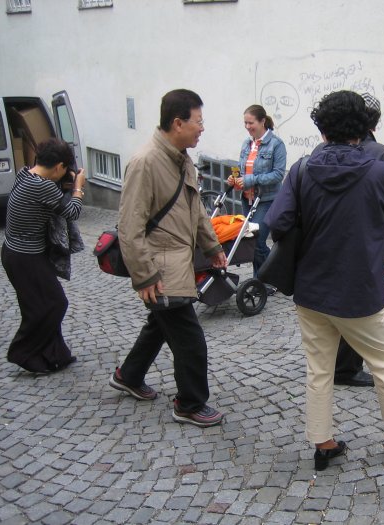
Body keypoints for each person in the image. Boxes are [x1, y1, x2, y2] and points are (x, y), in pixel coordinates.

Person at [265, 90, 384, 470]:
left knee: (319, 370)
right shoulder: (380, 171)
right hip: (359, 289)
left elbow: (277, 221)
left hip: (311, 288)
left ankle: (324, 444)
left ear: (322, 129)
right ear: (362, 128)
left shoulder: (301, 169)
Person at [110, 89, 228, 428]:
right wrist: (144, 275)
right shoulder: (145, 162)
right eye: (198, 122)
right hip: (160, 269)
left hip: (176, 262)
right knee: (190, 341)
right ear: (178, 123)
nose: (202, 128)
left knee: (159, 325)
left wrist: (212, 247)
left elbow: (196, 209)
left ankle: (129, 375)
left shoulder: (181, 158)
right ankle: (189, 404)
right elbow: (129, 226)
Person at [324, 93, 384, 388]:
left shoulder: (323, 152)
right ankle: (346, 367)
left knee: (335, 303)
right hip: (366, 244)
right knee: (362, 308)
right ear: (374, 123)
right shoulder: (382, 156)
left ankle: (336, 364)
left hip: (329, 243)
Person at [1, 138, 86, 373]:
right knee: (55, 304)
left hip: (17, 253)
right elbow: (72, 211)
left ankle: (55, 354)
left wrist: (66, 184)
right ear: (59, 167)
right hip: (25, 257)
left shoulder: (25, 174)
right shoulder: (42, 186)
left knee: (39, 305)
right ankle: (21, 351)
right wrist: (78, 187)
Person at [227, 104, 287, 286]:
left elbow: (278, 175)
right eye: (245, 123)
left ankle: (268, 278)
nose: (247, 127)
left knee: (258, 242)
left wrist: (250, 180)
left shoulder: (276, 144)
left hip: (266, 200)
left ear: (262, 121)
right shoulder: (247, 143)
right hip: (248, 199)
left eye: (250, 123)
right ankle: (263, 279)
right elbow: (242, 168)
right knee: (252, 243)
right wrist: (235, 179)